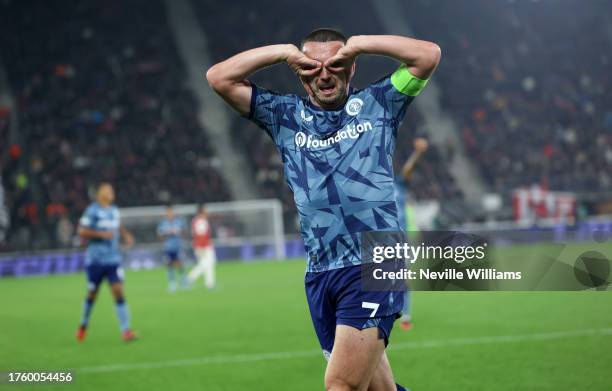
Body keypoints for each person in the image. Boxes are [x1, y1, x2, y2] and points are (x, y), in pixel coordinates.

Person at [207, 28, 440, 391]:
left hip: (374, 262)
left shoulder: (381, 102)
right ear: (300, 74)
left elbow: (427, 54)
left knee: (341, 385)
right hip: (320, 272)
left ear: (351, 68)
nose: (324, 73)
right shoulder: (282, 116)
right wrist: (283, 51)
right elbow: (218, 77)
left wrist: (360, 44)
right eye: (312, 67)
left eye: (334, 63)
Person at [76, 182, 136, 342]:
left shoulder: (114, 210)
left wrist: (126, 234)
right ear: (100, 193)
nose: (111, 192)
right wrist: (101, 235)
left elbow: (117, 226)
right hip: (95, 261)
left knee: (118, 291)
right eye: (108, 190)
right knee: (92, 295)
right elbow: (81, 230)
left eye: (112, 190)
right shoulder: (92, 211)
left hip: (113, 260)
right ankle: (83, 324)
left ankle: (126, 330)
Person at [395, 137, 429, 331]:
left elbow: (408, 170)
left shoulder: (398, 184)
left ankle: (405, 315)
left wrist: (417, 154)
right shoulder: (371, 189)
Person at [157, 205, 187, 292]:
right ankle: (172, 283)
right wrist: (167, 233)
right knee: (169, 265)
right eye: (168, 212)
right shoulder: (163, 223)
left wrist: (178, 232)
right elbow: (159, 236)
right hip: (168, 247)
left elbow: (184, 232)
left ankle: (183, 281)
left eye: (171, 212)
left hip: (178, 246)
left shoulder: (178, 222)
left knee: (180, 264)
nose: (169, 214)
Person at [188, 204, 216, 289]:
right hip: (203, 246)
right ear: (202, 211)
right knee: (205, 264)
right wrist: (202, 247)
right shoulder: (200, 221)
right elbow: (200, 235)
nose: (207, 212)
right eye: (205, 210)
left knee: (208, 264)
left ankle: (210, 284)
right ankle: (190, 278)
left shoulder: (197, 220)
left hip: (202, 245)